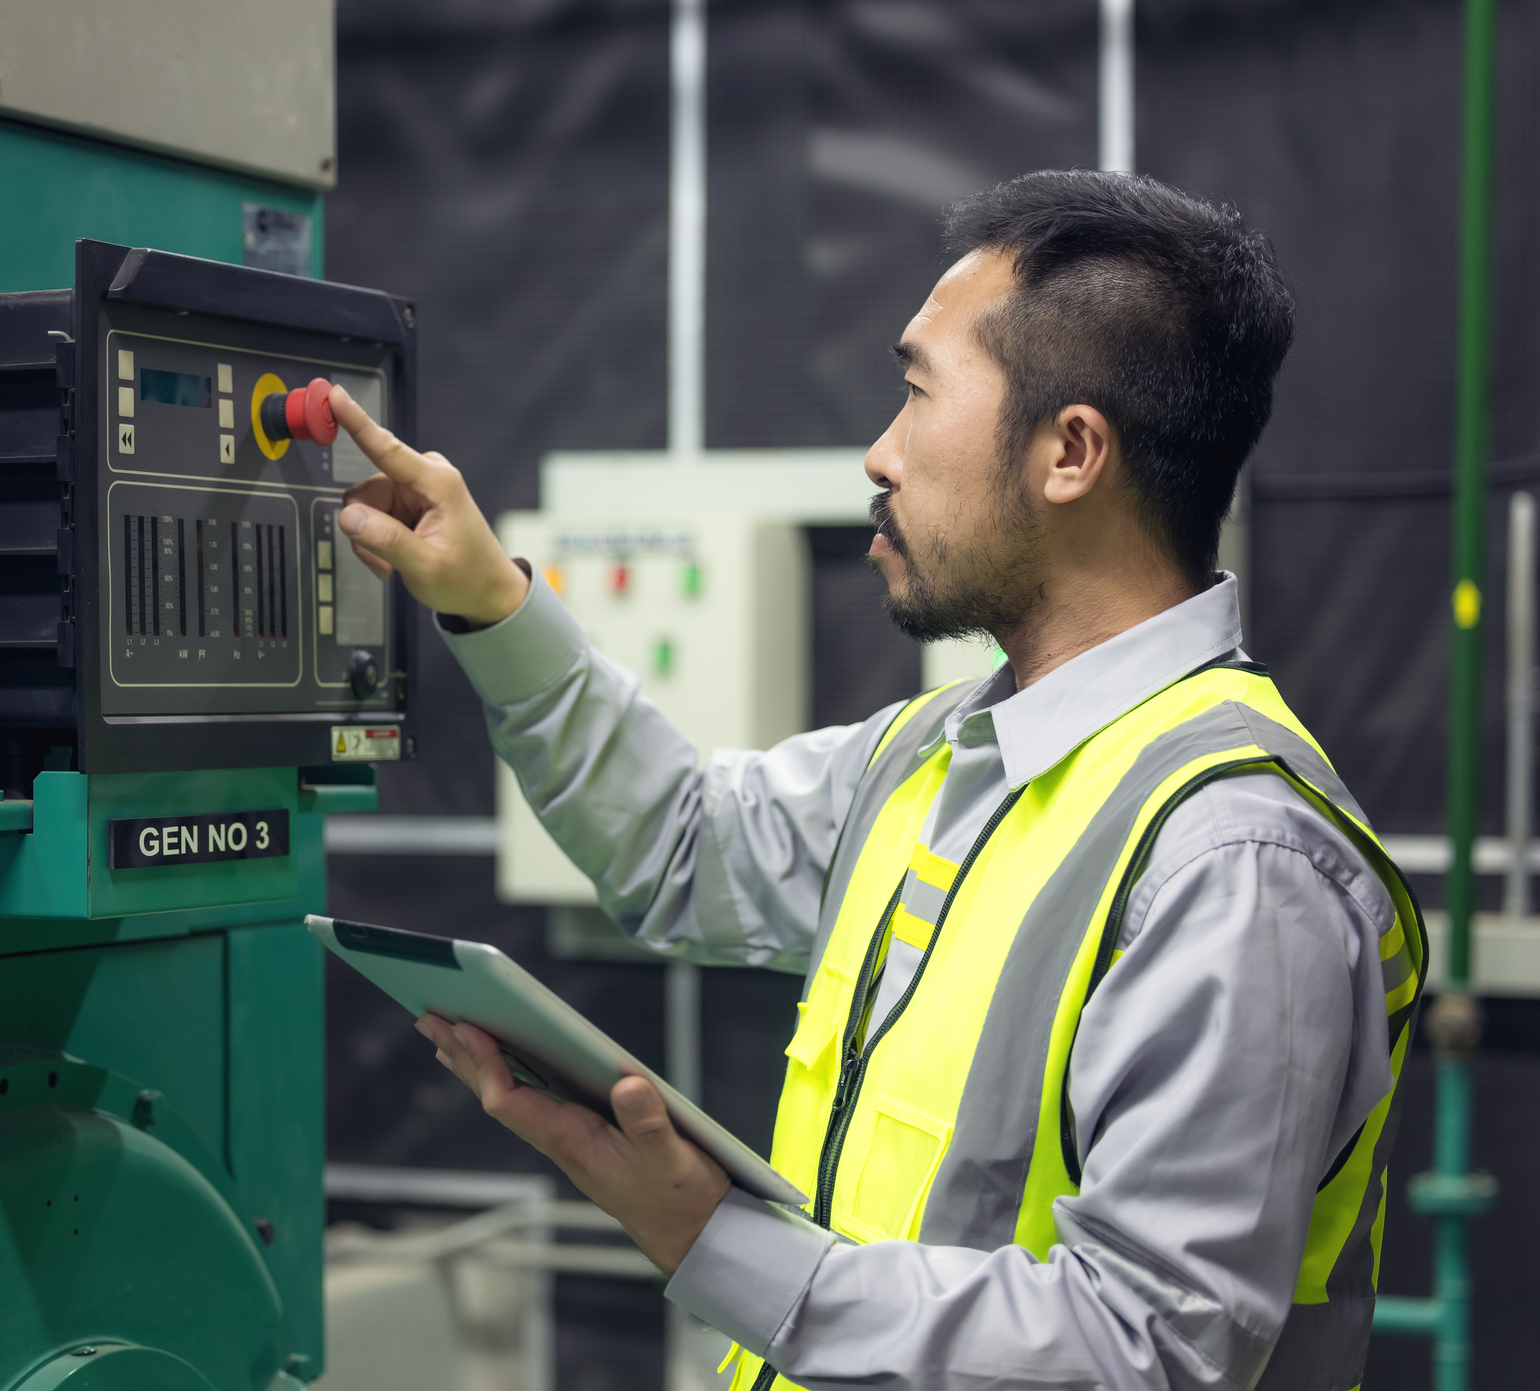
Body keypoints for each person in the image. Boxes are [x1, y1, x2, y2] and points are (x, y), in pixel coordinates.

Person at [325, 170, 1423, 1391]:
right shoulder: (939, 752)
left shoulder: (1235, 862)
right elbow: (682, 842)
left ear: (1071, 452)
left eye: (915, 390)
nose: (880, 451)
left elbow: (1148, 1346)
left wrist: (714, 1239)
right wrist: (494, 607)